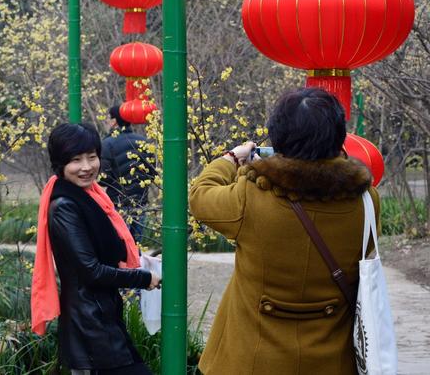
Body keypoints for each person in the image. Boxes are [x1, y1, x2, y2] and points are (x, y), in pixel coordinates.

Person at [189, 88, 379, 375]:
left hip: (252, 361)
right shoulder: (366, 202)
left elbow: (200, 196)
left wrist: (231, 159)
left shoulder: (250, 197)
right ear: (339, 138)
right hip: (332, 362)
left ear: (279, 138)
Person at [31, 123, 160, 375]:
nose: (87, 167)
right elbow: (91, 271)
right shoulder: (65, 206)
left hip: (102, 319)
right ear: (60, 164)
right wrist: (144, 278)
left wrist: (140, 261)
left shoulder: (90, 196)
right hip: (90, 327)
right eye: (76, 160)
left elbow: (99, 252)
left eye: (92, 157)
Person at [100, 106, 156, 241]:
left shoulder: (107, 144)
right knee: (136, 248)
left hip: (118, 204)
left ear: (114, 121)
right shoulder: (144, 142)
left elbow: (103, 178)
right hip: (140, 203)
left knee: (119, 247)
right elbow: (152, 174)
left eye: (108, 118)